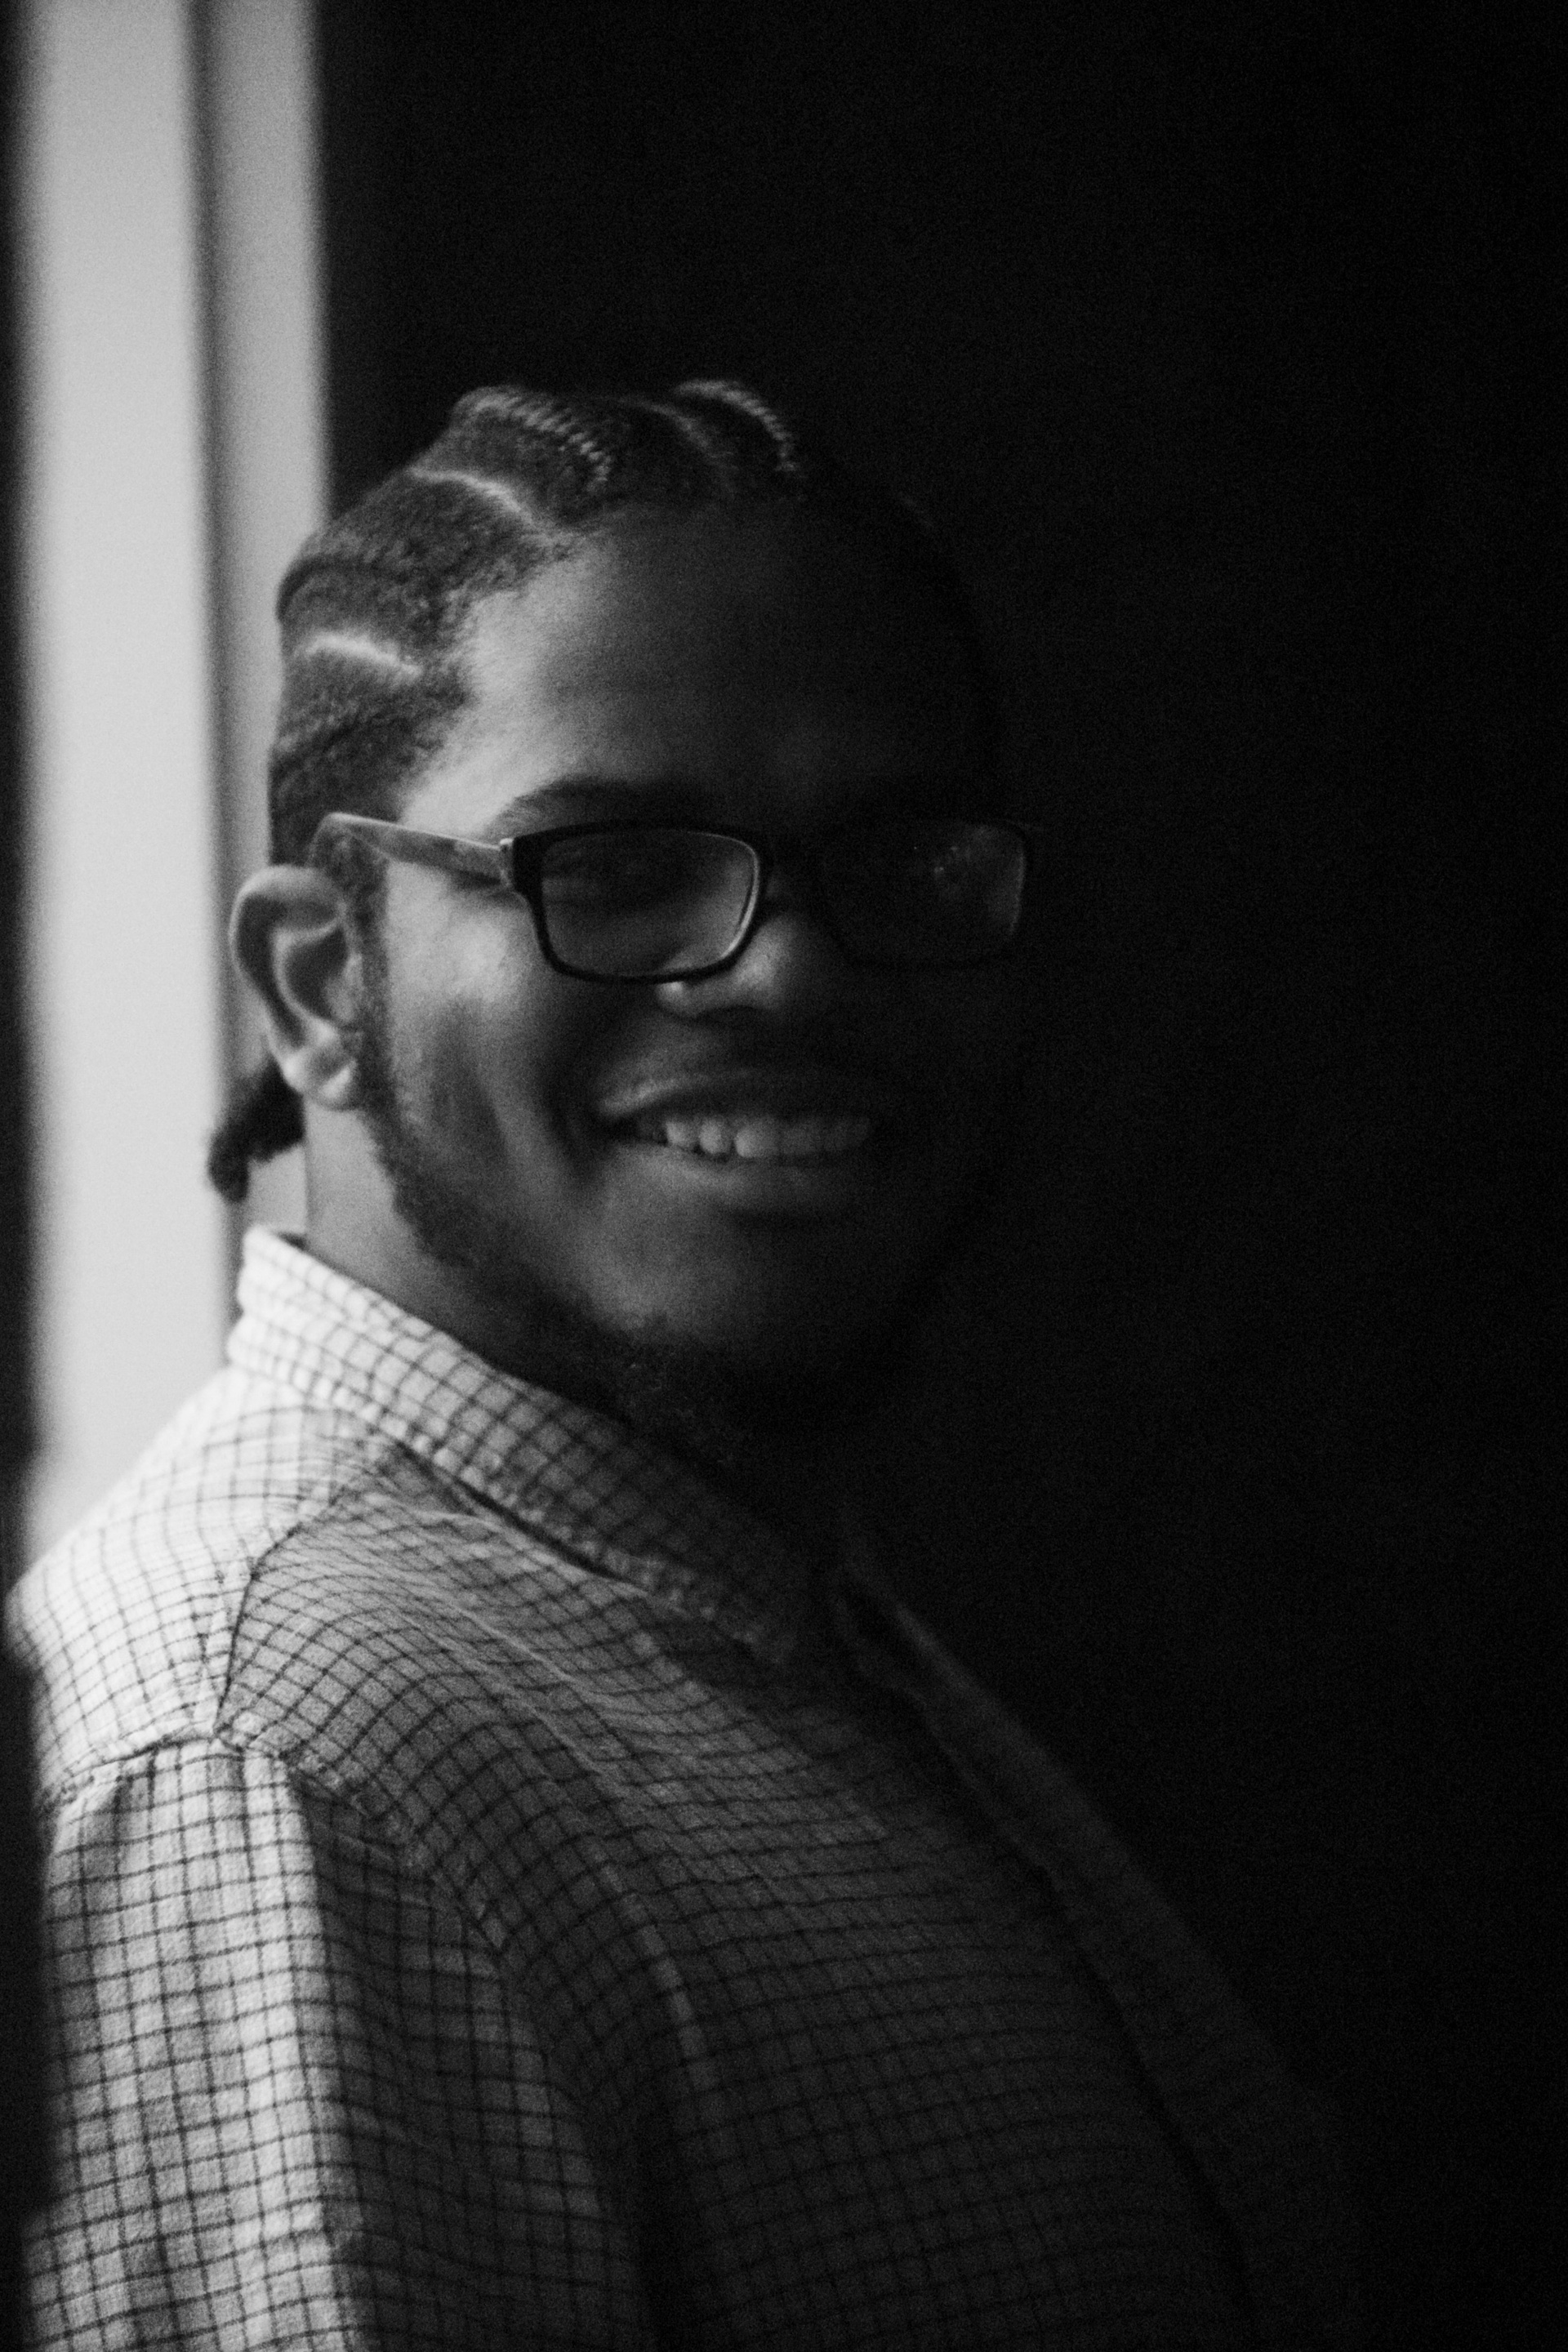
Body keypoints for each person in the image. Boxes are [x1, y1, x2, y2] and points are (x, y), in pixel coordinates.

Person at [8, 382, 1358, 2348]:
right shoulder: (278, 1769)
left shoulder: (749, 1612)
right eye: (617, 865)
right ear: (322, 983)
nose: (791, 969)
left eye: (899, 858)